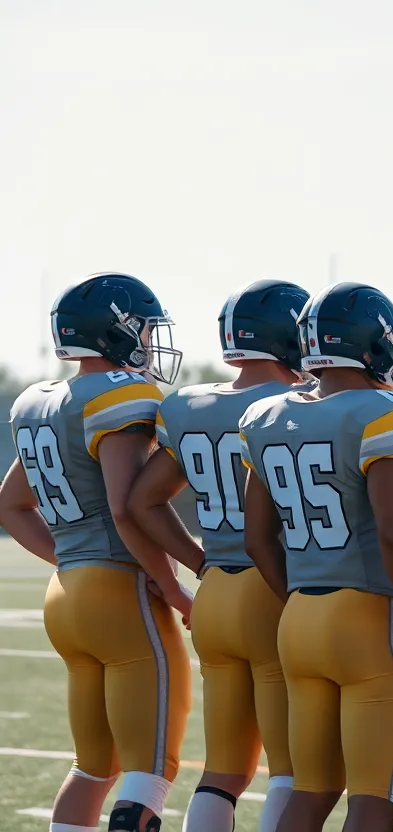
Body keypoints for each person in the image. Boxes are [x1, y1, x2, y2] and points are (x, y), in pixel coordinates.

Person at [240, 281, 393, 832]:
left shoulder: (266, 416)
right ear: (376, 345)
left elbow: (258, 539)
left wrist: (304, 599)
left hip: (300, 615)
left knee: (311, 791)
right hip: (366, 618)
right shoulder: (384, 412)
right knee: (373, 799)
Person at [0, 272, 192, 832]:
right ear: (118, 332)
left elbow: (10, 506)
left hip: (68, 596)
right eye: (146, 331)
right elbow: (128, 506)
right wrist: (176, 586)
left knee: (93, 767)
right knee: (151, 768)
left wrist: (70, 561)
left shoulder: (39, 401)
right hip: (120, 590)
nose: (153, 344)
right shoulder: (121, 397)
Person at [127, 279, 310, 832]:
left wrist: (197, 558)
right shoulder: (295, 407)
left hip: (217, 593)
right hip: (273, 587)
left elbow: (142, 499)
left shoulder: (187, 404)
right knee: (291, 770)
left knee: (224, 768)